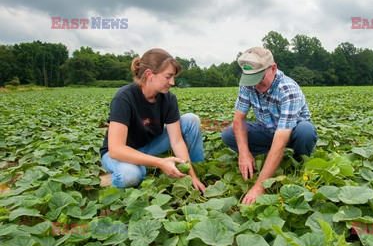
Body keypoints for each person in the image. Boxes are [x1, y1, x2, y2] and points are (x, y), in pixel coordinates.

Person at [99, 48, 206, 192]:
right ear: (149, 74)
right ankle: (120, 184)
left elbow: (177, 141)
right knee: (130, 175)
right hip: (120, 153)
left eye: (173, 77)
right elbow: (116, 149)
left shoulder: (169, 99)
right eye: (168, 77)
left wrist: (191, 176)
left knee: (190, 120)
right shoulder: (124, 98)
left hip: (149, 146)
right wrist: (159, 162)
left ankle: (197, 171)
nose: (172, 82)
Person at [221, 46, 317, 205]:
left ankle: (299, 161)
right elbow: (239, 119)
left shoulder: (287, 90)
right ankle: (268, 157)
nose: (256, 84)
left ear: (273, 68)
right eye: (251, 79)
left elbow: (282, 135)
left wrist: (260, 186)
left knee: (306, 130)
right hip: (267, 130)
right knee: (228, 134)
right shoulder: (247, 84)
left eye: (260, 78)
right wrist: (243, 153)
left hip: (291, 133)